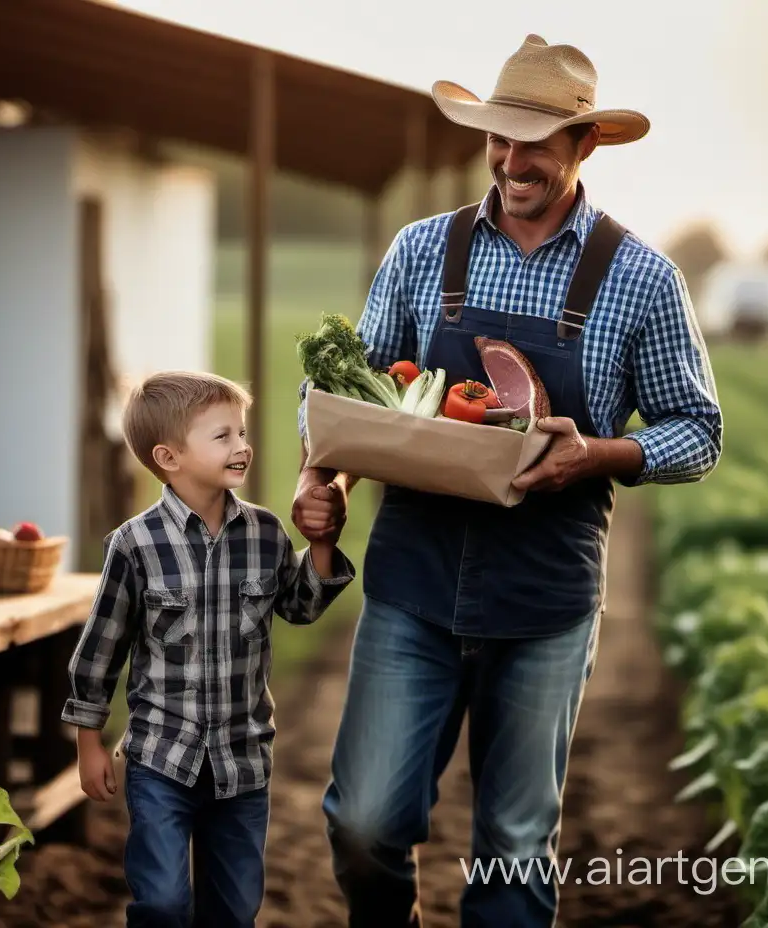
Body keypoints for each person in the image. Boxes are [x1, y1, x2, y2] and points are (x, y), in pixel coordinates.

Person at [291, 34, 723, 928]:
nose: (512, 159)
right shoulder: (422, 251)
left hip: (546, 597)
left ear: (584, 145)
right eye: (499, 136)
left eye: (535, 141)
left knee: (514, 852)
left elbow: (700, 431)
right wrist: (318, 469)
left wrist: (599, 454)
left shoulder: (641, 278)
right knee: (363, 822)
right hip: (412, 583)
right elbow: (340, 395)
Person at [63, 371, 356, 928]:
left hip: (242, 762)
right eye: (222, 436)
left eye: (242, 433)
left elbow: (300, 606)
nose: (242, 446)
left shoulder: (267, 535)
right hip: (160, 760)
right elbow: (100, 650)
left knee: (234, 909)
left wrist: (321, 543)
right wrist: (88, 744)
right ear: (168, 457)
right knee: (164, 904)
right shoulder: (134, 545)